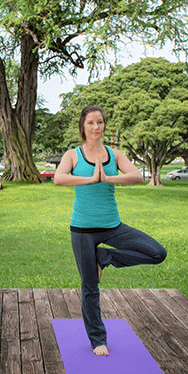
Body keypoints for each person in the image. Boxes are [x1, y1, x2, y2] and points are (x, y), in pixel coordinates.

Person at [54, 106, 166, 356]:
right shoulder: (74, 154)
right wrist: (90, 179)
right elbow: (59, 178)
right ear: (83, 126)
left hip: (113, 227)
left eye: (100, 122)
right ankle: (98, 340)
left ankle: (106, 258)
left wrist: (108, 178)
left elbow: (137, 176)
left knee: (157, 253)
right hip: (82, 230)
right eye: (91, 122)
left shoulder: (115, 154)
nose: (96, 127)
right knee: (90, 287)